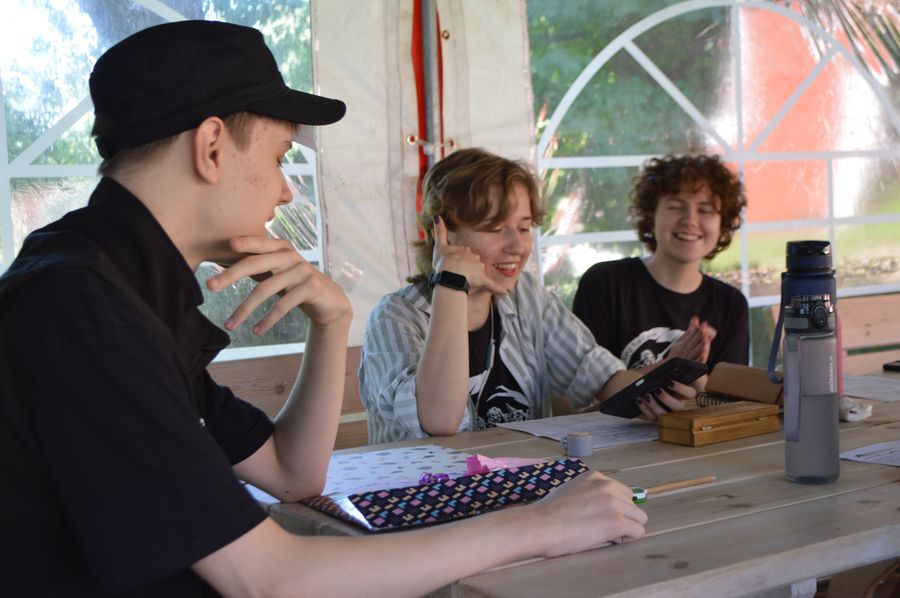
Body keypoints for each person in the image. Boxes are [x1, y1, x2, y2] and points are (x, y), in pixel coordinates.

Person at [0, 21, 649, 596]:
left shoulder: (119, 287)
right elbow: (271, 581)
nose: (286, 191)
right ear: (212, 147)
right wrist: (538, 526)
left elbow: (292, 474)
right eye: (279, 158)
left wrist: (331, 321)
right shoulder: (84, 314)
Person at [360, 148, 696, 444]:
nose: (518, 246)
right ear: (441, 233)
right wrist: (450, 283)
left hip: (522, 484)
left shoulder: (527, 297)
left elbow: (600, 377)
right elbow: (439, 421)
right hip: (424, 492)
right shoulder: (395, 317)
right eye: (494, 228)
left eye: (524, 227)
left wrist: (656, 389)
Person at [572, 154, 749, 386]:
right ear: (651, 215)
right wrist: (672, 366)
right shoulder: (605, 284)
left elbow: (732, 402)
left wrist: (694, 374)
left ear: (722, 223)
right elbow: (583, 391)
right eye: (675, 206)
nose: (690, 220)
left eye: (705, 210)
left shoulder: (731, 305)